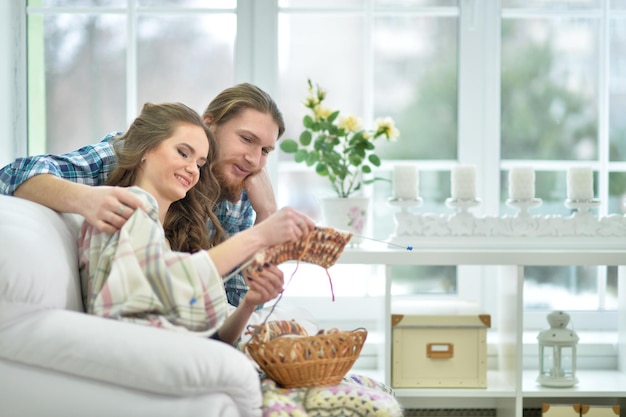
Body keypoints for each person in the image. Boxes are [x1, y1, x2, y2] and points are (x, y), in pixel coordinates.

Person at [0, 83, 283, 308]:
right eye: (247, 139)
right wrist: (86, 200)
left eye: (266, 151)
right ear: (210, 124)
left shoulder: (241, 196)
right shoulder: (135, 155)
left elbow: (235, 298)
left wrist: (266, 215)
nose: (254, 160)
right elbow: (13, 174)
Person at [79, 101, 314, 344]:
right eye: (183, 153)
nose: (192, 169)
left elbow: (217, 336)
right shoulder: (127, 206)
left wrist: (248, 304)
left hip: (183, 352)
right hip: (140, 353)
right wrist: (259, 235)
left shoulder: (163, 236)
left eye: (200, 164)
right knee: (297, 324)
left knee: (300, 320)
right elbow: (162, 284)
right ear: (145, 149)